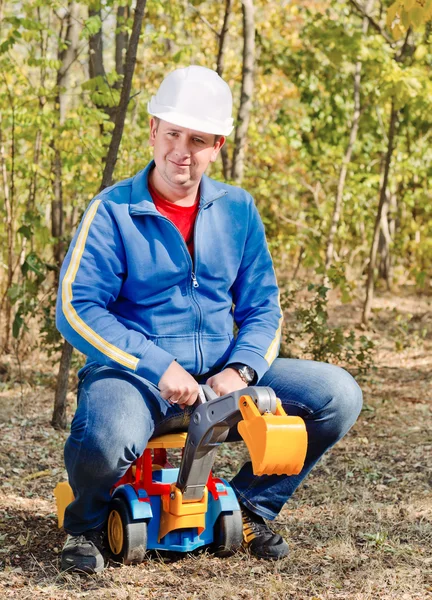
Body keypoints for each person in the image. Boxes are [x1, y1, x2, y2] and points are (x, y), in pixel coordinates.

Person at [56, 65, 362, 574]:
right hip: (136, 378)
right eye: (173, 133)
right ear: (153, 130)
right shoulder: (112, 211)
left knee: (337, 395)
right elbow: (77, 309)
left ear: (217, 144)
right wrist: (157, 366)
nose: (182, 149)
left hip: (220, 378)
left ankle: (250, 506)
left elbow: (264, 308)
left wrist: (240, 371)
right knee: (106, 432)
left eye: (198, 138)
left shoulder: (239, 210)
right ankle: (86, 525)